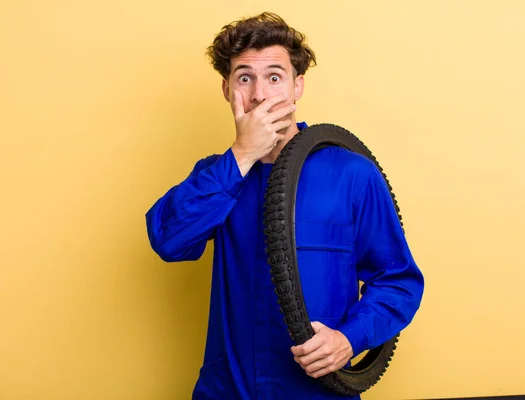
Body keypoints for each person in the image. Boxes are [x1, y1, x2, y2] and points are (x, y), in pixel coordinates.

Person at [145, 12, 424, 400]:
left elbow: (398, 282)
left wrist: (349, 338)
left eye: (274, 77)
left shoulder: (351, 174)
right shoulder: (216, 174)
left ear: (297, 87)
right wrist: (242, 155)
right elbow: (168, 241)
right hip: (227, 390)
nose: (259, 94)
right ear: (226, 89)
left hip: (316, 392)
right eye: (245, 78)